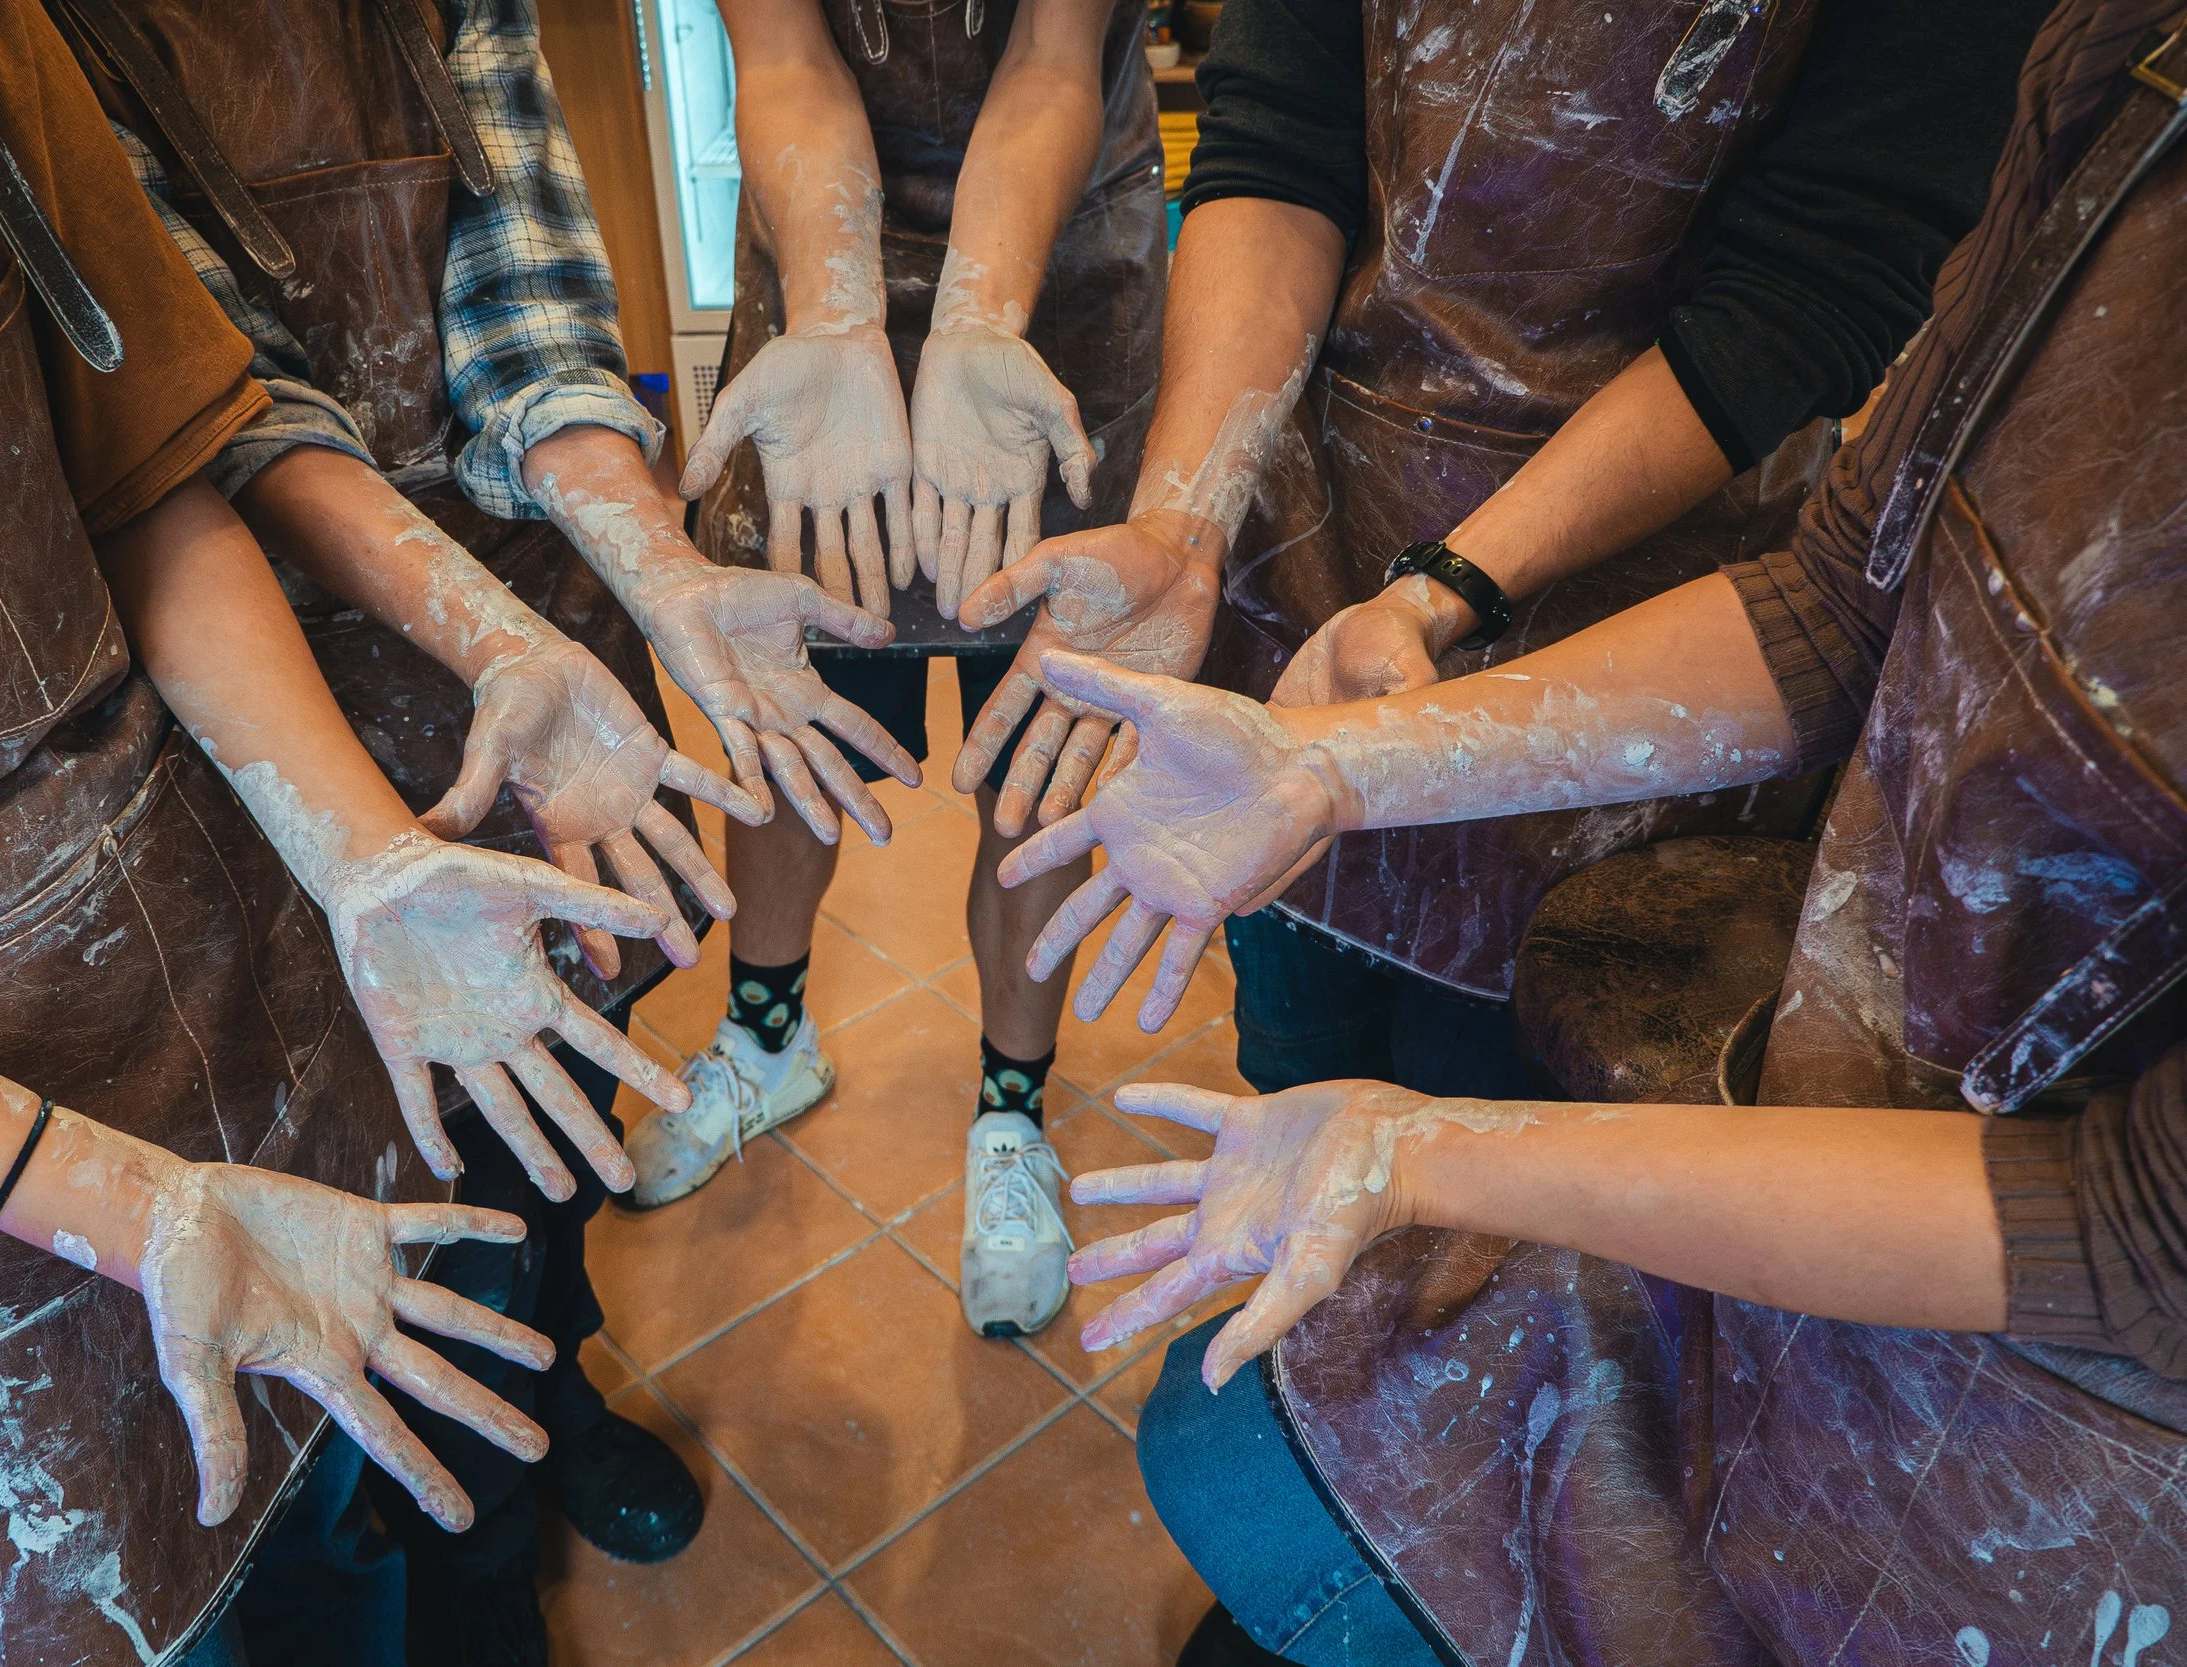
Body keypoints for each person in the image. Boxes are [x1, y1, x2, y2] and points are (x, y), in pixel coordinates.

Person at [1006, 0, 2187, 1656]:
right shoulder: (2128, 70)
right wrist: (1332, 767)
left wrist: (1422, 1148)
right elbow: (1842, 593)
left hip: (2084, 1370)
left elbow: (2143, 1240)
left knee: (1276, 1465)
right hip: (1873, 1037)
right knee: (1239, 1449)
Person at [0, 0, 690, 1660]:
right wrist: (113, 1197)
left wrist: (356, 851)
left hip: (192, 923)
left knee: (343, 1540)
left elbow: (149, 471)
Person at [947, 0, 2057, 1107]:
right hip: (1313, 548)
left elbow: (1813, 286)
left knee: (1493, 1128)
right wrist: (1181, 523)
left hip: (1642, 607)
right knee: (1298, 1067)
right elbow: (1278, 147)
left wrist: (1443, 590)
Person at [633, 0, 1167, 1340]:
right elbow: (788, 59)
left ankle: (1009, 1115)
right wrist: (835, 307)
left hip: (1052, 307)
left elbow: (1051, 61)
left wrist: (979, 314)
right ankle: (766, 1036)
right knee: (793, 716)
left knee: (1035, 753)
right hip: (829, 329)